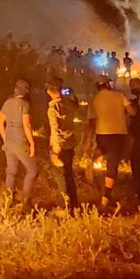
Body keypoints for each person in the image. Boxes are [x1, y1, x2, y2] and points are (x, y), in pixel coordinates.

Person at [87, 77, 132, 210]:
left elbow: (91, 122)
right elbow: (132, 111)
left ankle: (91, 161)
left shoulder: (95, 99)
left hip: (102, 134)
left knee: (101, 152)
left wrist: (89, 140)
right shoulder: (119, 95)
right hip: (118, 134)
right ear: (107, 84)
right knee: (112, 166)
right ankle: (106, 196)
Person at [0, 78, 37, 207]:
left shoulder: (7, 103)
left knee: (11, 171)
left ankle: (8, 201)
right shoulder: (25, 105)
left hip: (9, 143)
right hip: (21, 142)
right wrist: (32, 143)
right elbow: (26, 125)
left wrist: (5, 138)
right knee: (32, 170)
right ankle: (26, 203)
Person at [45, 82, 79, 213]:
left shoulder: (53, 108)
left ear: (49, 91)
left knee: (62, 178)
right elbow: (76, 105)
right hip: (70, 143)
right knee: (69, 176)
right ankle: (74, 205)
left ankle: (66, 207)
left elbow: (55, 130)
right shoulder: (68, 103)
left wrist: (55, 151)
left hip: (61, 146)